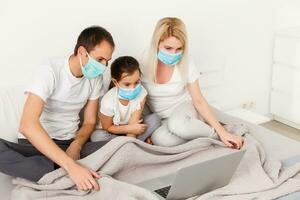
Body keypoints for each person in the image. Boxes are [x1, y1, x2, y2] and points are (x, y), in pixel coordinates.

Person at [0, 26, 114, 191]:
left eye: (107, 61)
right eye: (100, 59)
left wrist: (77, 145)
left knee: (123, 146)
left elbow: (89, 122)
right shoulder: (50, 69)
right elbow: (27, 125)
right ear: (82, 51)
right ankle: (66, 170)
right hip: (36, 145)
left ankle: (52, 173)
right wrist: (71, 166)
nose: (104, 66)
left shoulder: (95, 78)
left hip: (69, 144)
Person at [141, 17, 244, 148]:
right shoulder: (142, 62)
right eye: (168, 48)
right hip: (164, 119)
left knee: (177, 124)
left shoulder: (186, 61)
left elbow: (198, 100)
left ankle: (219, 134)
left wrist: (221, 132)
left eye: (179, 49)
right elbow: (140, 101)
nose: (174, 54)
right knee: (160, 139)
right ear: (156, 44)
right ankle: (198, 132)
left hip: (186, 110)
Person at [91, 56, 160, 143]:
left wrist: (131, 135)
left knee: (155, 119)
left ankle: (124, 145)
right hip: (113, 131)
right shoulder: (108, 101)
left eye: (136, 82)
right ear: (115, 82)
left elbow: (134, 121)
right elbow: (107, 127)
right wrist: (128, 129)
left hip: (133, 127)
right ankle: (137, 144)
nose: (133, 88)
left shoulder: (141, 92)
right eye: (127, 84)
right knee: (96, 137)